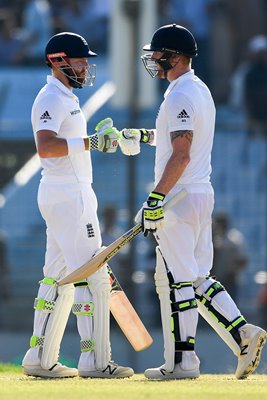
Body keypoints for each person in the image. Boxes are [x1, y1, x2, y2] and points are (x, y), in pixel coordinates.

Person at [118, 24, 267, 380]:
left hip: (179, 197)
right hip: (199, 194)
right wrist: (143, 136)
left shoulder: (181, 94)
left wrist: (156, 197)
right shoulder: (196, 90)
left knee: (174, 281)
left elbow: (181, 154)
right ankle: (241, 334)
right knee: (195, 277)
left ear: (174, 55)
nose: (153, 60)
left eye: (157, 54)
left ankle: (183, 362)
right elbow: (177, 140)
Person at [22, 32, 134, 379]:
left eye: (86, 60)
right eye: (79, 59)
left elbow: (64, 144)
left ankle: (39, 358)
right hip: (69, 195)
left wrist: (98, 142)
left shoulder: (64, 96)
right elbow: (46, 146)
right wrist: (91, 142)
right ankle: (97, 361)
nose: (86, 66)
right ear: (58, 61)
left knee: (56, 277)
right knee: (94, 275)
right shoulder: (51, 97)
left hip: (65, 193)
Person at [212, 211, 248, 304]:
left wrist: (234, 272)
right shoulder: (211, 238)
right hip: (214, 280)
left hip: (230, 280)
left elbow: (243, 259)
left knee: (230, 308)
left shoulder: (234, 238)